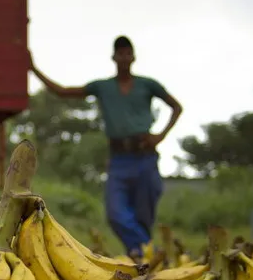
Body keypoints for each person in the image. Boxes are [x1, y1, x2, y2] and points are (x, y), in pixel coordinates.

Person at [29, 36, 184, 255]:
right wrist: (33, 69)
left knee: (143, 215)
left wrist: (160, 136)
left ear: (133, 57)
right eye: (119, 53)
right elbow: (63, 91)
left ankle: (143, 259)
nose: (123, 57)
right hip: (120, 159)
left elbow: (176, 107)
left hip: (145, 156)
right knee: (115, 213)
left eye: (127, 53)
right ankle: (151, 252)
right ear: (114, 57)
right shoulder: (103, 87)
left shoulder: (148, 85)